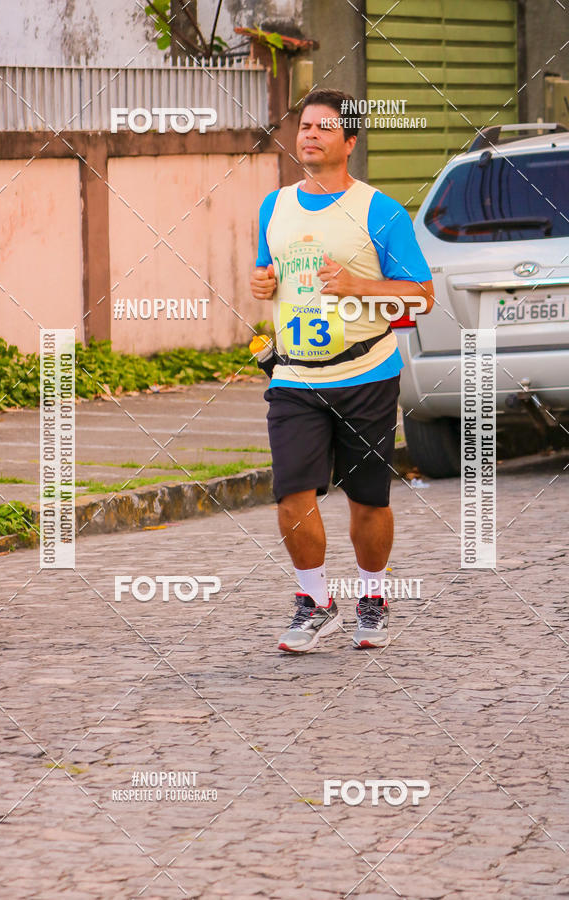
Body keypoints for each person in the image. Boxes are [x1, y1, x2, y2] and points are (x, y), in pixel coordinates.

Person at [250, 89, 433, 653]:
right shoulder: (273, 206)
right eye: (304, 125)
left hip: (367, 374)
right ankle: (315, 601)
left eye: (325, 127)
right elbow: (268, 272)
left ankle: (372, 597)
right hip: (295, 375)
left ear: (349, 141)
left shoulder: (379, 211)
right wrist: (262, 283)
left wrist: (361, 286)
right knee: (290, 491)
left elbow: (422, 297)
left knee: (368, 498)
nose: (309, 134)